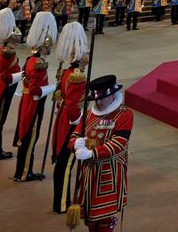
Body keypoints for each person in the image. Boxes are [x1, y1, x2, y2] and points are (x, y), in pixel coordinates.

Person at [67, 74, 134, 232]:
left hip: (109, 172)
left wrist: (92, 153)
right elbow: (75, 135)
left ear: (111, 96)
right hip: (89, 173)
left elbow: (119, 143)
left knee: (104, 217)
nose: (97, 102)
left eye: (101, 98)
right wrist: (75, 144)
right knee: (91, 217)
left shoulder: (124, 114)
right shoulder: (90, 114)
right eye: (95, 99)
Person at [50, 22, 90, 214]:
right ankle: (62, 202)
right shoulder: (78, 75)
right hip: (71, 122)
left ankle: (61, 199)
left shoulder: (68, 72)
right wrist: (78, 121)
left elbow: (61, 97)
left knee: (63, 162)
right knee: (66, 164)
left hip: (65, 118)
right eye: (86, 52)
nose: (88, 55)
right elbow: (73, 104)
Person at [13, 12, 58, 182]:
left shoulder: (30, 59)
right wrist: (55, 86)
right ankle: (25, 173)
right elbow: (35, 91)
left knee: (25, 138)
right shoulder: (39, 64)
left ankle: (22, 171)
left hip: (27, 103)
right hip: (33, 103)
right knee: (30, 139)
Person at [0, 8, 21, 161]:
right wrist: (23, 74)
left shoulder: (5, 49)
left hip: (3, 87)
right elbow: (8, 77)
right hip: (4, 88)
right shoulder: (9, 52)